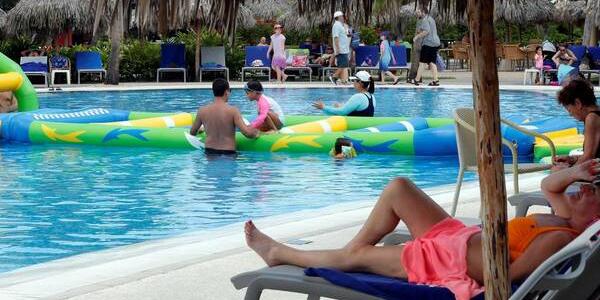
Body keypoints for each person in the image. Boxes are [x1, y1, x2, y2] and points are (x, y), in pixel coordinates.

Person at [245, 160, 600, 300]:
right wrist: (574, 172)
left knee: (361, 254)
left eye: (592, 191)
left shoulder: (559, 237)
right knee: (400, 187)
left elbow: (506, 276)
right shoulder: (568, 217)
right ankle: (352, 254)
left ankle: (280, 253)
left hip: (450, 260)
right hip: (458, 237)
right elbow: (549, 184)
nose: (584, 189)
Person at [189, 78, 259, 155]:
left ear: (213, 92)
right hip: (228, 153)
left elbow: (192, 132)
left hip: (209, 152)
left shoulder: (202, 110)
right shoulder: (233, 111)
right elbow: (247, 133)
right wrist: (257, 132)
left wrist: (201, 130)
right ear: (226, 92)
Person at [553, 79, 600, 169]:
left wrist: (569, 172)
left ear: (578, 103)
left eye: (569, 110)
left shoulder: (592, 118)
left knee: (556, 170)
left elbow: (588, 157)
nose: (570, 114)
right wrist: (572, 159)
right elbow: (595, 155)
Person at [409, 6, 441, 86]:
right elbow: (429, 30)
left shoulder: (424, 20)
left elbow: (426, 31)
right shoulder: (431, 19)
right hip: (435, 43)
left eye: (418, 12)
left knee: (422, 63)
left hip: (428, 43)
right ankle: (435, 80)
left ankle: (416, 80)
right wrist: (421, 31)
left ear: (423, 12)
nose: (417, 13)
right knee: (432, 62)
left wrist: (417, 36)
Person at [329, 11, 351, 85]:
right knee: (343, 65)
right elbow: (336, 37)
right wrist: (338, 49)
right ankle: (333, 76)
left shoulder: (340, 25)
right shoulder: (336, 25)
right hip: (341, 49)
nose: (343, 17)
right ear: (339, 17)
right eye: (342, 16)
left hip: (344, 49)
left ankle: (344, 81)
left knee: (344, 65)